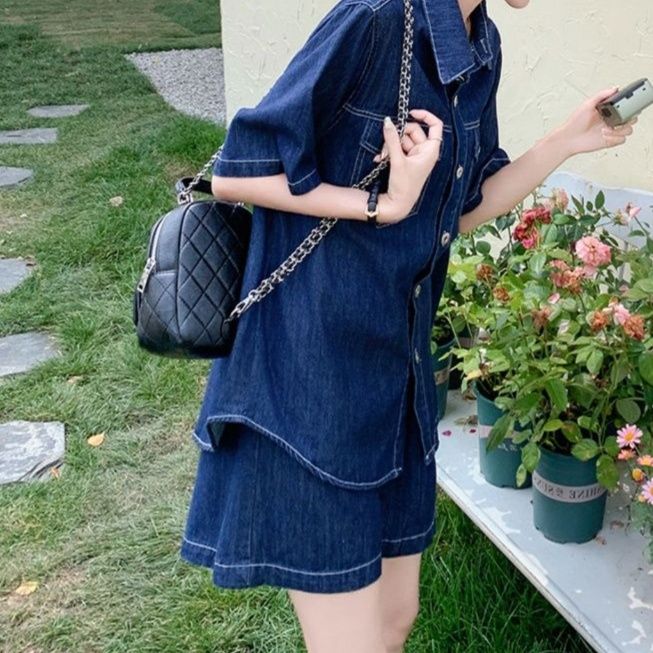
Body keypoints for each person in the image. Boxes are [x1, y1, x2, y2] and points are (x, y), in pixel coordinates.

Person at [180, 0, 637, 650]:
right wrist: (385, 202)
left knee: (394, 619)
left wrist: (565, 140)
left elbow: (461, 208)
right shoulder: (372, 19)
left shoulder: (479, 44)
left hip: (397, 380)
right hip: (308, 381)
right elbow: (236, 173)